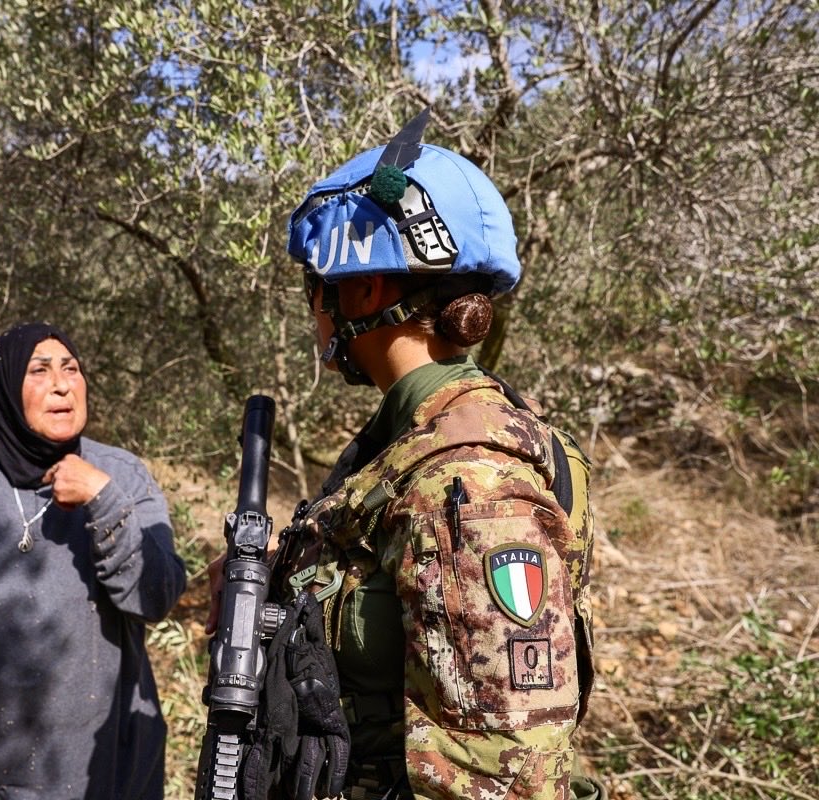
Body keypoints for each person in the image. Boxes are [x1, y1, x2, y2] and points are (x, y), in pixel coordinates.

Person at [215, 112, 602, 799]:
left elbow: (500, 775)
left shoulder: (469, 482)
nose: (316, 314)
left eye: (318, 290)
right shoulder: (410, 445)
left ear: (362, 290)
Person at [0, 322, 187, 800]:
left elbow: (155, 598)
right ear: (7, 389)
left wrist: (102, 498)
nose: (62, 384)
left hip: (114, 771)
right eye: (39, 370)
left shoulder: (122, 475)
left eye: (71, 369)